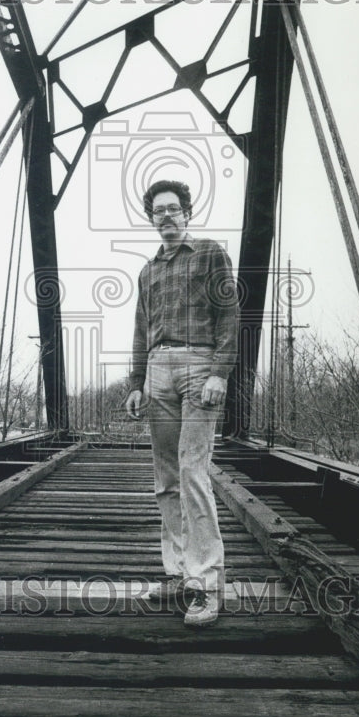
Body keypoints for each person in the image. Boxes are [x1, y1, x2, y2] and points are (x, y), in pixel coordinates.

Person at [125, 179, 238, 627]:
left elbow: (230, 314)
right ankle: (177, 573)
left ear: (187, 212)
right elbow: (139, 328)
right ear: (151, 218)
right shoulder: (148, 271)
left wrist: (220, 373)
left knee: (193, 471)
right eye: (158, 211)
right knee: (166, 479)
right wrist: (136, 382)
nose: (166, 216)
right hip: (158, 370)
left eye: (174, 209)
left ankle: (206, 585)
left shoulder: (210, 253)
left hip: (198, 365)